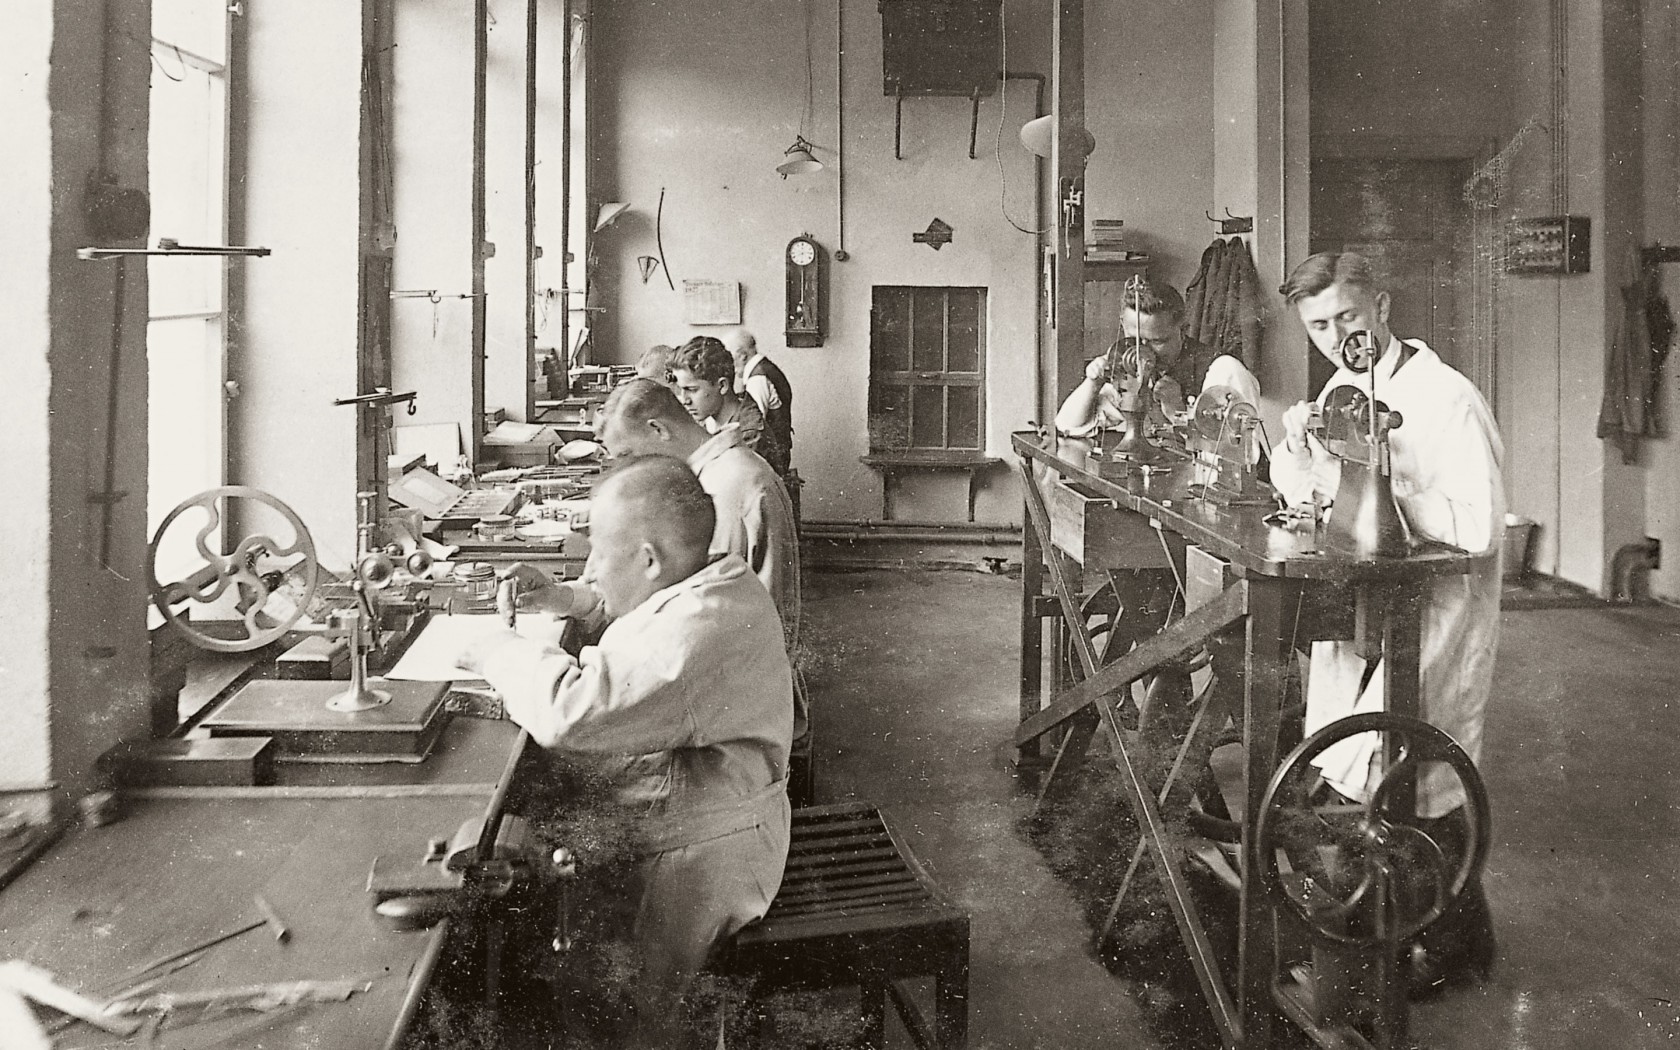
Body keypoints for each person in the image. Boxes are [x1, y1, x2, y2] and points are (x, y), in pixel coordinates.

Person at [456, 456, 793, 1045]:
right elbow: (647, 626)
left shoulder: (700, 629)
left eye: (598, 555)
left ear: (648, 560)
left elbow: (571, 711)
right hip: (684, 823)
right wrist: (573, 600)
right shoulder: (708, 582)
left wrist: (497, 652)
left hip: (697, 859)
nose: (589, 568)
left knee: (635, 1025)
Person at [1271, 250, 1503, 992]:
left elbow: (1480, 528)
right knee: (1383, 775)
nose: (1336, 336)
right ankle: (1453, 943)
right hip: (1365, 606)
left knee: (1401, 775)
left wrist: (1381, 484)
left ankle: (1416, 950)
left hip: (1434, 613)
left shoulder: (1447, 398)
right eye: (1318, 326)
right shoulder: (1343, 387)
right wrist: (1299, 452)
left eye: (1347, 317)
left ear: (1382, 308)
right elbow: (1320, 496)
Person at [591, 378, 813, 805]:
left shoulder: (725, 488)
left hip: (740, 719)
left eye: (627, 456)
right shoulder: (715, 472)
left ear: (658, 432)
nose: (624, 472)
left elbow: (692, 618)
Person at [1054, 276, 1261, 438]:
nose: (1142, 353)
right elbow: (1068, 426)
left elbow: (1235, 454)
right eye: (1134, 340)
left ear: (1183, 329)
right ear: (1123, 325)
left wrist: (1177, 411)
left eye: (1157, 341)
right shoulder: (1130, 365)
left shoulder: (1224, 370)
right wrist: (1093, 383)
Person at [672, 336, 776, 461]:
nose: (685, 400)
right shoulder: (709, 418)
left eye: (692, 390)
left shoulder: (749, 436)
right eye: (681, 390)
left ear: (722, 386)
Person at [723, 328, 794, 478]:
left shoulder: (758, 378)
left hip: (772, 457)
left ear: (742, 355)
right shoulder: (764, 368)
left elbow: (753, 425)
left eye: (729, 356)